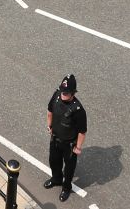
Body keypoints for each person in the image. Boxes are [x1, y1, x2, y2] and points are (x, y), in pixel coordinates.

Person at [45, 74, 86, 203]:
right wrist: (49, 125)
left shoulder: (78, 110)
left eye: (66, 93)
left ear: (73, 93)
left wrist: (78, 147)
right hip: (56, 139)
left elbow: (82, 131)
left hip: (69, 145)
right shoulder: (56, 96)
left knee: (68, 170)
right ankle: (56, 179)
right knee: (53, 161)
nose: (63, 95)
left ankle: (66, 188)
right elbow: (50, 111)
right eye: (62, 91)